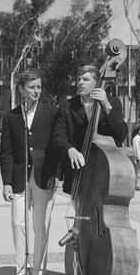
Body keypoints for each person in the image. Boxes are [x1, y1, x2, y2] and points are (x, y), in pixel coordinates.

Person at [0, 70, 59, 275]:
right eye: (32, 87)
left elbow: (57, 145)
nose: (36, 91)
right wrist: (6, 182)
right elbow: (6, 153)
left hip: (44, 176)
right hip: (18, 177)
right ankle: (21, 271)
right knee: (18, 223)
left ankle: (38, 273)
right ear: (21, 89)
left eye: (39, 87)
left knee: (41, 225)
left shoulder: (52, 113)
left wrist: (56, 174)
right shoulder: (10, 117)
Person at [53, 64, 128, 195]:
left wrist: (106, 105)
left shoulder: (113, 102)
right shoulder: (67, 107)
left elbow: (121, 134)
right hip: (78, 174)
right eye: (79, 79)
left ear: (96, 82)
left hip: (107, 174)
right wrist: (69, 149)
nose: (80, 83)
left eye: (86, 79)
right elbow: (58, 136)